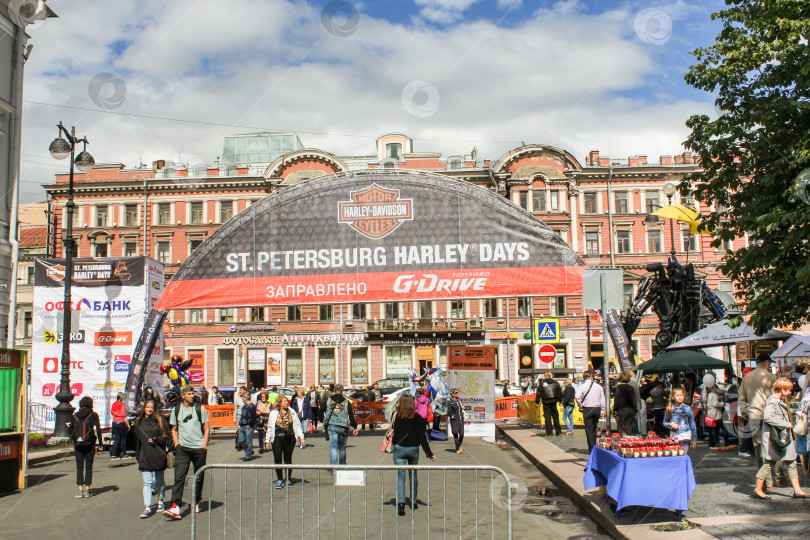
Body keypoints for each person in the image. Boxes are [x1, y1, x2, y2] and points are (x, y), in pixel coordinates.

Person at [753, 378, 809, 500]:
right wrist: (786, 424)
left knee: (791, 462)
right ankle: (757, 489)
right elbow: (767, 418)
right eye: (788, 390)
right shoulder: (773, 401)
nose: (790, 392)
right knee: (769, 463)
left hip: (781, 437)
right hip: (776, 439)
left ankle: (797, 490)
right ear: (781, 389)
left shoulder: (777, 400)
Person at [165, 385, 210, 520]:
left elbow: (206, 428)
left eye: (193, 394)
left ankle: (195, 501)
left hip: (198, 448)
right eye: (189, 394)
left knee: (199, 476)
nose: (192, 396)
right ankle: (175, 506)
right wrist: (177, 444)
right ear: (183, 396)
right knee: (179, 477)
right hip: (182, 449)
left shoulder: (200, 409)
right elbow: (174, 429)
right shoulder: (176, 410)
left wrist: (204, 445)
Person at [390, 394, 436, 516]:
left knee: (401, 476)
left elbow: (393, 430)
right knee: (413, 475)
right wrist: (429, 453)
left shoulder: (395, 415)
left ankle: (401, 503)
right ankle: (414, 501)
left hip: (399, 448)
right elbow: (422, 437)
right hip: (413, 449)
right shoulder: (418, 418)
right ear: (412, 403)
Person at [740, 353, 780, 485]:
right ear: (767, 363)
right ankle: (778, 476)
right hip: (770, 415)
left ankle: (764, 480)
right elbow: (778, 397)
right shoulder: (771, 377)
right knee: (774, 446)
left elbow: (741, 399)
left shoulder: (746, 378)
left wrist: (745, 413)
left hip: (754, 416)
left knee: (758, 448)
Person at [134, 398, 170, 518]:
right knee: (147, 482)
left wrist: (156, 439)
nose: (149, 409)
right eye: (147, 407)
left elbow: (167, 439)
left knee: (159, 481)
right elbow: (138, 441)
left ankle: (160, 501)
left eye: (151, 408)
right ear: (144, 408)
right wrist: (138, 456)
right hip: (145, 456)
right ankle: (147, 507)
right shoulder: (139, 422)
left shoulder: (160, 421)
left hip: (158, 455)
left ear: (154, 409)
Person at [265, 395, 306, 488]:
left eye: (287, 401)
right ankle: (280, 479)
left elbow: (298, 425)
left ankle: (288, 479)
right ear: (279, 403)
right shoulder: (273, 413)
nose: (287, 403)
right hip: (277, 439)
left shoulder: (292, 412)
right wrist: (267, 440)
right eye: (284, 401)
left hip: (289, 438)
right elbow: (270, 428)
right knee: (278, 458)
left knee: (288, 459)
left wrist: (301, 438)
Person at [69, 395, 103, 499]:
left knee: (79, 466)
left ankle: (80, 490)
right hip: (90, 443)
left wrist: (75, 438)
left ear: (81, 405)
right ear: (90, 404)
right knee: (89, 466)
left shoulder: (75, 415)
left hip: (78, 444)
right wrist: (100, 443)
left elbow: (70, 430)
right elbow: (98, 429)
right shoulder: (93, 415)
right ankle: (87, 490)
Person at [323, 384, 358, 465]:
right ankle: (342, 465)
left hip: (332, 425)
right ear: (342, 391)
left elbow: (320, 411)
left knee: (333, 447)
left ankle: (334, 468)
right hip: (343, 426)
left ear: (334, 390)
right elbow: (351, 415)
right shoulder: (346, 402)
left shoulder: (329, 400)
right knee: (342, 447)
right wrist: (355, 426)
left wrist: (324, 421)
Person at [575, 372, 605, 452]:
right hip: (596, 408)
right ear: (591, 377)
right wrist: (603, 410)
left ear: (584, 378)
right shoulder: (598, 386)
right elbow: (602, 399)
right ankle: (594, 445)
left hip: (587, 408)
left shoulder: (581, 386)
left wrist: (580, 405)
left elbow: (577, 396)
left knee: (589, 428)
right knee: (594, 428)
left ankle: (592, 447)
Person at [664, 387, 697, 455]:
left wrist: (694, 439)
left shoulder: (687, 408)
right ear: (673, 397)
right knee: (675, 455)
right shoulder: (670, 409)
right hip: (674, 436)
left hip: (685, 435)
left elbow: (692, 423)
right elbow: (664, 422)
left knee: (683, 454)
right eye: (677, 395)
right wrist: (670, 424)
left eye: (681, 395)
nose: (679, 397)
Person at [705, 379, 729, 449]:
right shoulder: (714, 395)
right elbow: (716, 404)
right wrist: (723, 403)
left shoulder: (709, 395)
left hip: (711, 415)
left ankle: (714, 444)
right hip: (716, 415)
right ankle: (726, 443)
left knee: (713, 430)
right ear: (713, 388)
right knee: (723, 428)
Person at [613, 372, 638, 437]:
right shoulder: (631, 388)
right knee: (629, 426)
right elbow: (634, 400)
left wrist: (614, 410)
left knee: (621, 426)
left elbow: (617, 399)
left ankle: (622, 441)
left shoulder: (618, 388)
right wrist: (636, 410)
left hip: (622, 409)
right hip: (631, 409)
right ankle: (629, 440)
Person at [237, 392, 257, 461]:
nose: (242, 398)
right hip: (242, 426)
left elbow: (253, 417)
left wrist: (250, 425)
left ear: (246, 398)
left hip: (248, 426)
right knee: (241, 440)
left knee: (249, 442)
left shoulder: (252, 406)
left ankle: (248, 456)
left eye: (243, 397)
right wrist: (239, 424)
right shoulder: (244, 406)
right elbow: (242, 416)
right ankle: (249, 451)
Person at [110, 392, 130, 460]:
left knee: (116, 439)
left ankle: (114, 455)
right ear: (121, 398)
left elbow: (112, 412)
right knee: (123, 439)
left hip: (114, 422)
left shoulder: (113, 404)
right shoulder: (122, 405)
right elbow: (124, 415)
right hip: (121, 422)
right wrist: (128, 425)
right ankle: (124, 454)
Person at [447, 388, 465, 453]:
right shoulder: (450, 402)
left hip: (460, 419)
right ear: (452, 394)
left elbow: (461, 407)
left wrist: (462, 408)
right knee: (455, 434)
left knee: (462, 433)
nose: (457, 394)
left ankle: (459, 445)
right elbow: (449, 412)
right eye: (456, 393)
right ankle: (457, 448)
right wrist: (453, 416)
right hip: (455, 421)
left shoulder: (459, 400)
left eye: (457, 392)